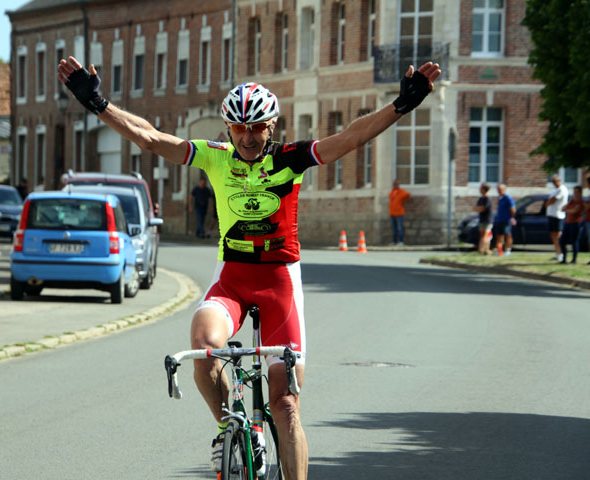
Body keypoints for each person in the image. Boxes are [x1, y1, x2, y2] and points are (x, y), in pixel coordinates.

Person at [58, 55, 440, 479]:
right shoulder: (215, 158)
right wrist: (98, 104)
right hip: (233, 282)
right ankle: (229, 428)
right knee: (205, 348)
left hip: (280, 285)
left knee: (286, 405)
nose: (248, 135)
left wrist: (400, 106)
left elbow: (349, 138)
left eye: (257, 126)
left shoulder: (292, 159)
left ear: (271, 126)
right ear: (227, 128)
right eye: (239, 127)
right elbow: (150, 138)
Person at [545, 174, 568, 262]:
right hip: (552, 215)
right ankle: (557, 253)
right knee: (553, 235)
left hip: (558, 215)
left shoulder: (562, 189)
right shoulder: (556, 190)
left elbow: (553, 200)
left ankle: (561, 254)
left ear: (559, 181)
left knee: (558, 236)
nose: (554, 184)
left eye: (554, 182)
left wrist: (547, 204)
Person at [560, 186, 586, 264]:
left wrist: (567, 210)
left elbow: (574, 211)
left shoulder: (581, 202)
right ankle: (564, 258)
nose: (575, 194)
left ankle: (574, 260)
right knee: (562, 241)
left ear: (580, 193)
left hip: (576, 223)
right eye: (574, 192)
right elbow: (563, 208)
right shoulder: (572, 201)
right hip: (567, 223)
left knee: (574, 241)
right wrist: (569, 203)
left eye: (577, 192)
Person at [493, 184, 516, 256]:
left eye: (500, 189)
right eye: (498, 190)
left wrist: (511, 217)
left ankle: (508, 250)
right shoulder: (500, 198)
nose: (499, 191)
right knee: (499, 236)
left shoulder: (508, 198)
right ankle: (499, 251)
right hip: (500, 220)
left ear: (504, 190)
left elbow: (513, 209)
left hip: (506, 220)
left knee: (508, 235)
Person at [388, 179, 410, 246]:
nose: (395, 185)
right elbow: (390, 198)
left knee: (399, 228)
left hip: (399, 213)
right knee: (394, 228)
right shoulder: (392, 192)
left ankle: (401, 241)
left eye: (396, 184)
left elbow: (407, 194)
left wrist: (399, 190)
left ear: (398, 185)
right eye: (394, 184)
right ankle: (394, 241)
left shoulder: (401, 192)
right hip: (392, 213)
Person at [474, 182, 492, 255]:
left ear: (484, 189)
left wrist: (479, 208)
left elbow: (483, 208)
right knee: (482, 235)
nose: (479, 190)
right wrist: (479, 208)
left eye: (481, 188)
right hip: (481, 219)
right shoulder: (481, 198)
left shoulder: (487, 199)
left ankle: (484, 249)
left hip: (487, 220)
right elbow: (476, 208)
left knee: (486, 235)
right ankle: (482, 249)